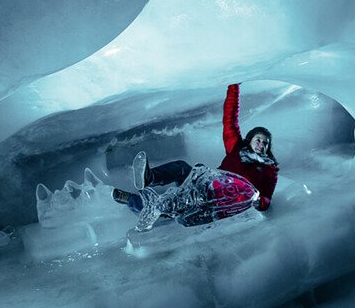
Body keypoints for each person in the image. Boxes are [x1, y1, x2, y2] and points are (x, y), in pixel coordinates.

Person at [112, 83, 279, 230]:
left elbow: (267, 199)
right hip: (205, 182)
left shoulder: (268, 170)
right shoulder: (237, 149)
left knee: (180, 203)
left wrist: (258, 201)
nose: (261, 144)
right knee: (181, 167)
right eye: (258, 140)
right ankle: (149, 178)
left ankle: (133, 201)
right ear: (250, 140)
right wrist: (234, 86)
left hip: (220, 201)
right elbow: (230, 120)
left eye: (265, 143)